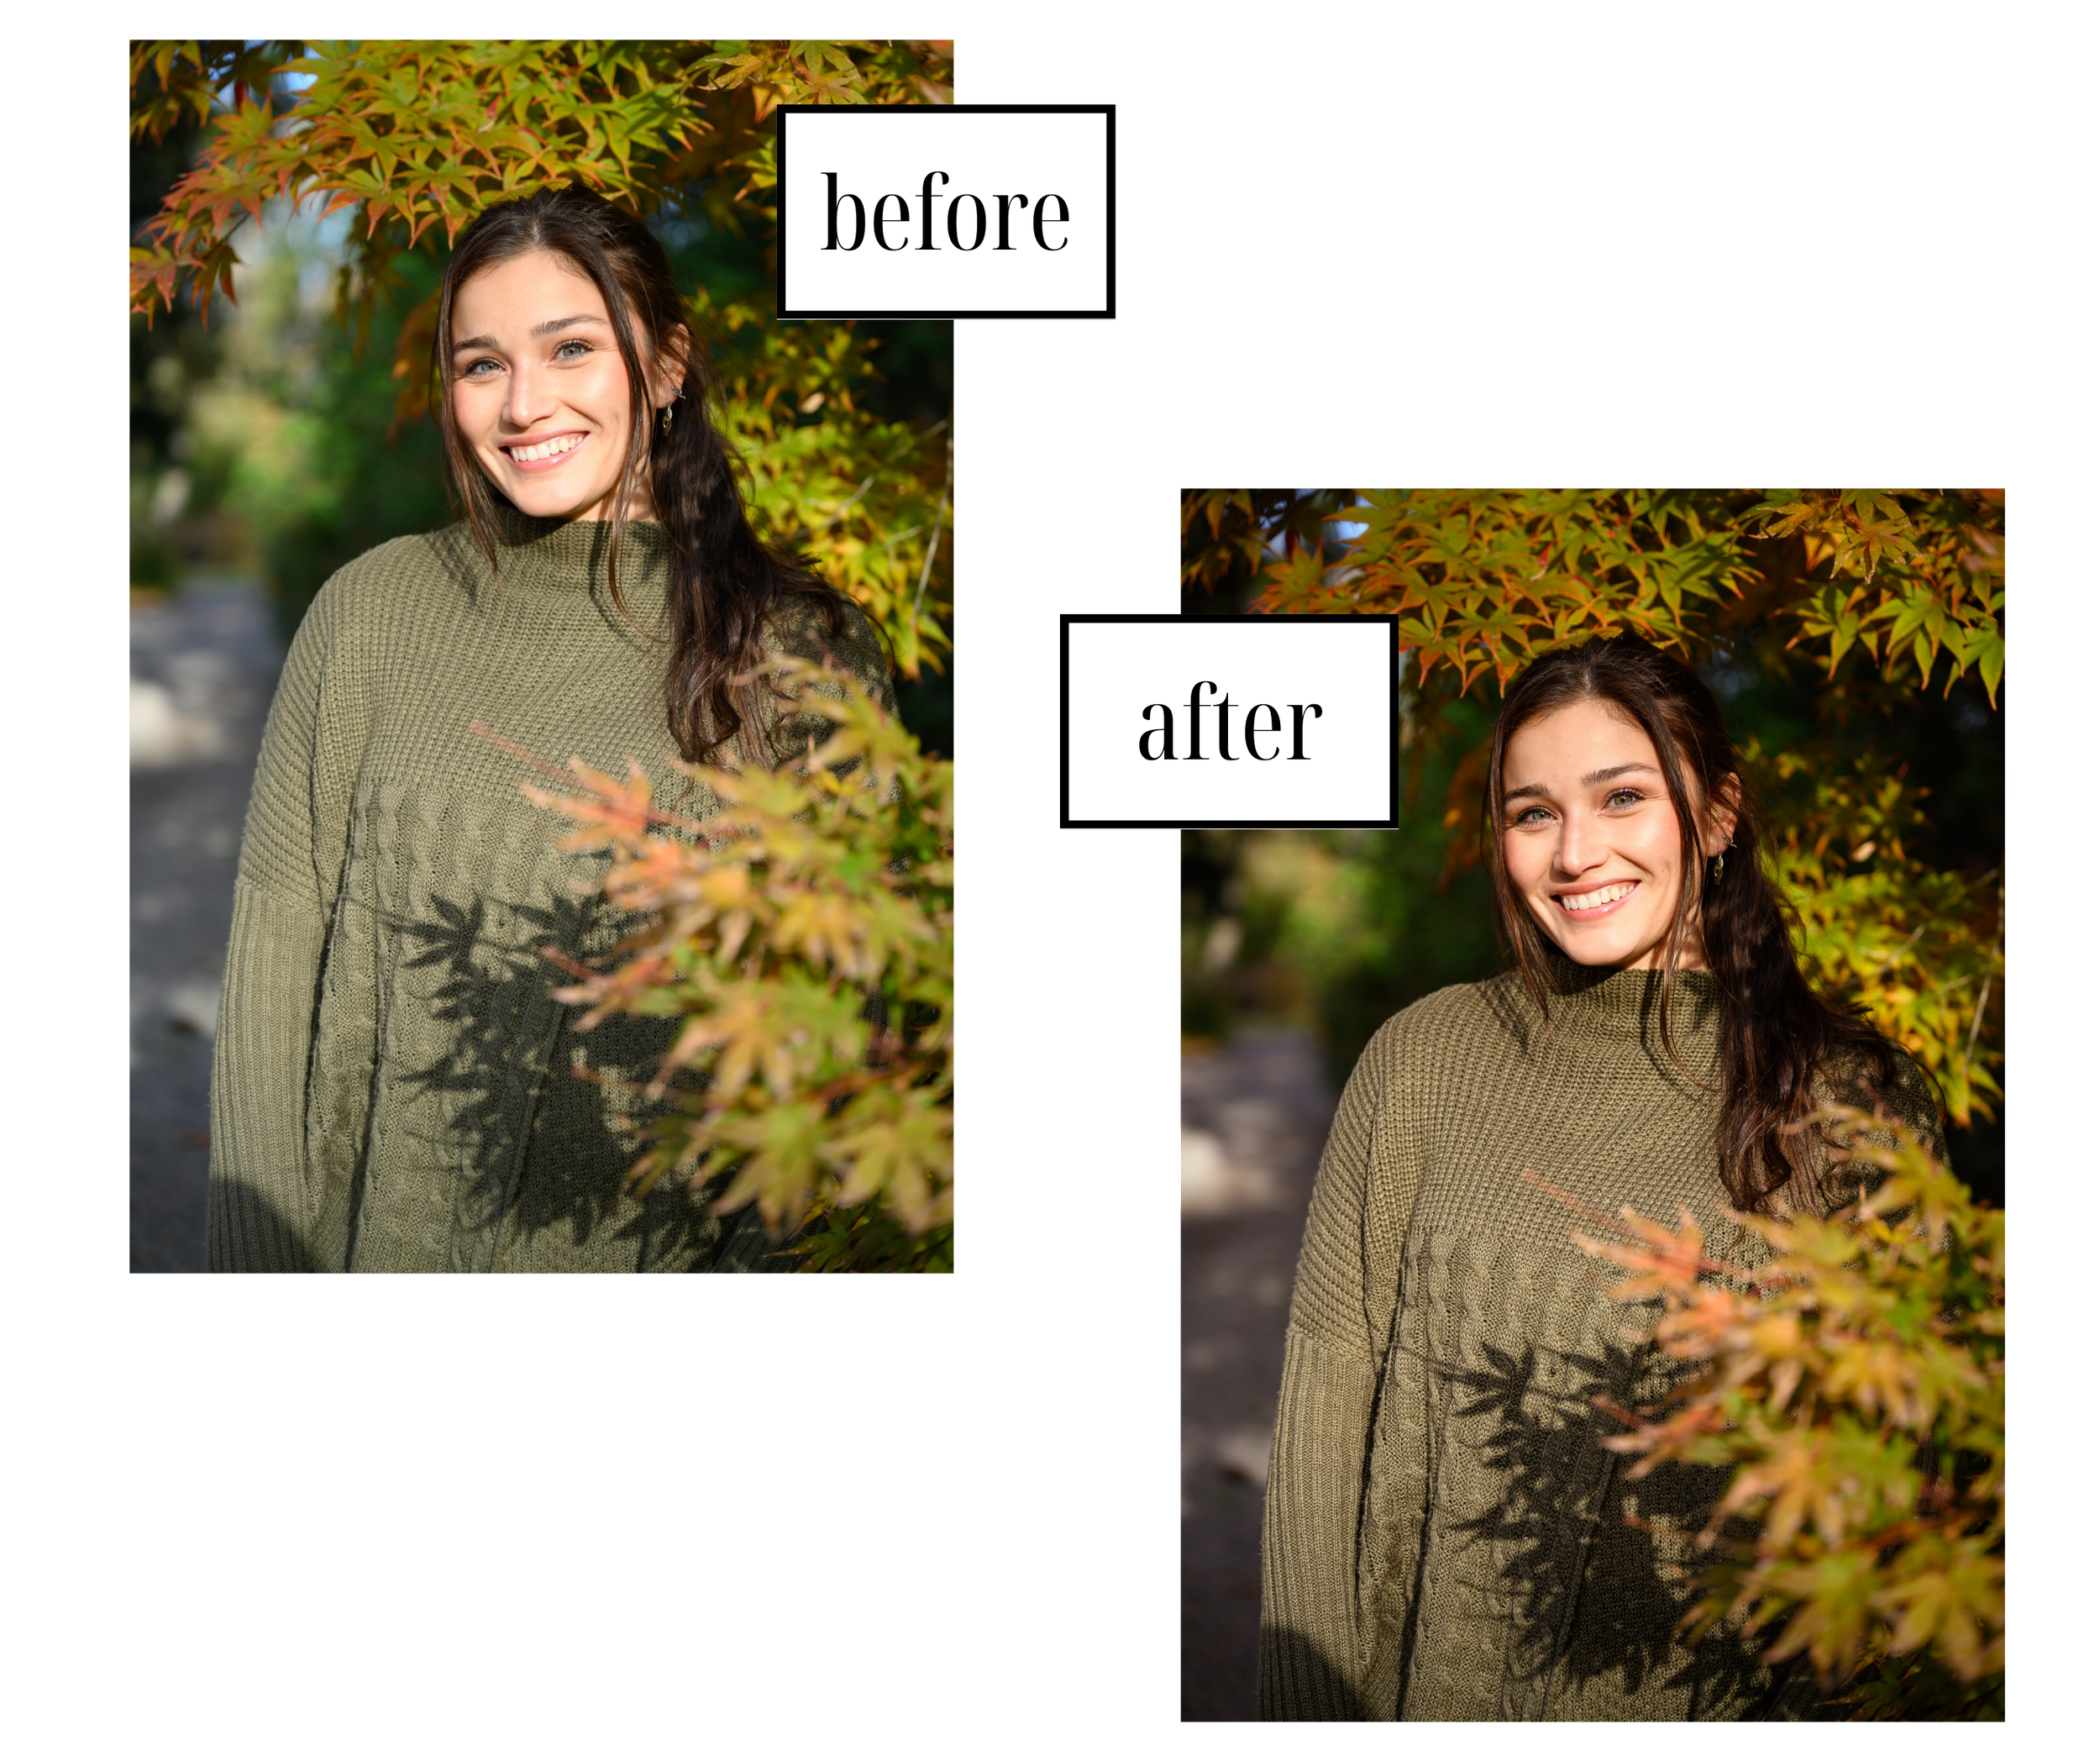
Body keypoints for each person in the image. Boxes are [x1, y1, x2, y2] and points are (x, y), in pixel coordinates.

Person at [207, 182, 896, 1273]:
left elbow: (822, 1076)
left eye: (570, 348)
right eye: (482, 365)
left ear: (665, 367)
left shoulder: (794, 656)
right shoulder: (370, 613)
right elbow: (271, 979)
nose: (523, 404)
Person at [1256, 632, 1945, 1722]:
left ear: (1717, 815)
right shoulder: (1421, 1064)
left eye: (1621, 797)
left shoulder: (1848, 1104)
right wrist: (1304, 1716)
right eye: (1533, 813)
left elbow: (1901, 1497)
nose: (1574, 852)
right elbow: (1327, 1401)